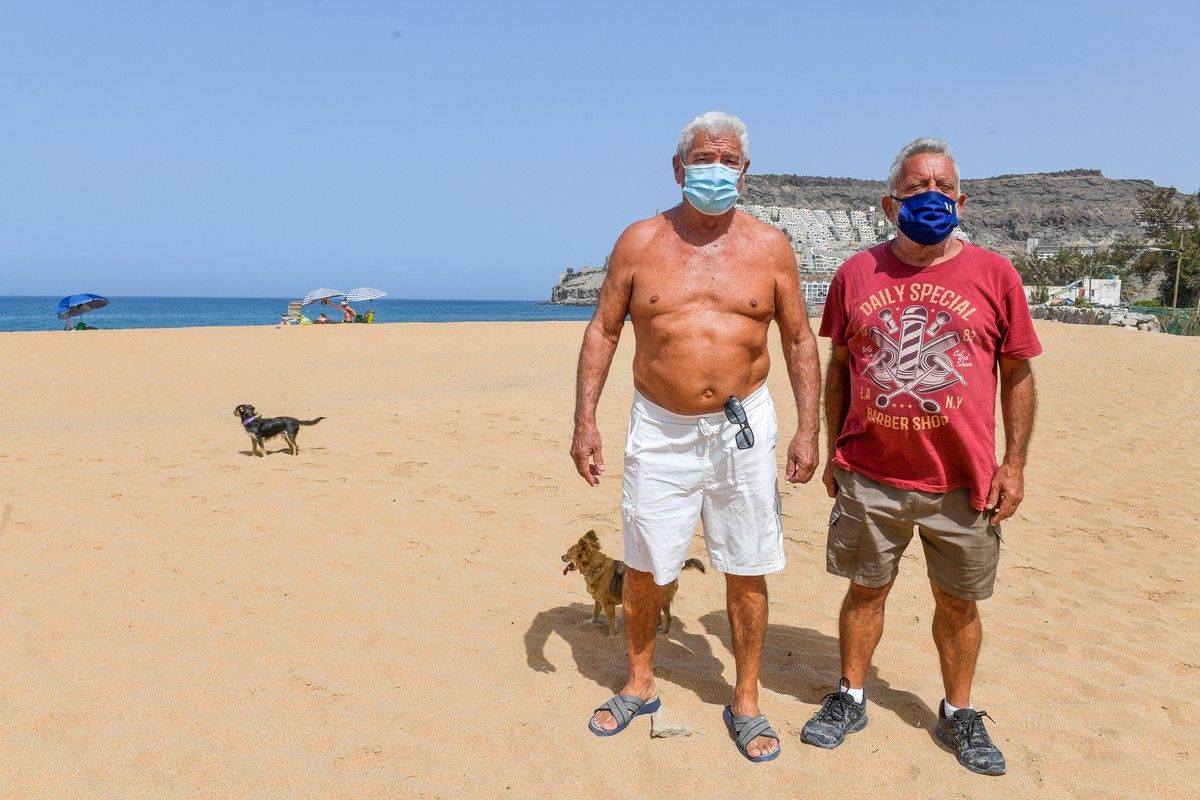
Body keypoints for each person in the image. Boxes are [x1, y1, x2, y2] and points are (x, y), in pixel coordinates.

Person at [571, 111, 821, 761]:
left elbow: (798, 338)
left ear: (745, 171)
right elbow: (603, 330)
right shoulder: (640, 242)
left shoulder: (770, 247)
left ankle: (745, 700)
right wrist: (584, 422)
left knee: (747, 561)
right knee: (649, 560)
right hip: (659, 427)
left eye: (728, 160)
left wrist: (808, 431)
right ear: (679, 169)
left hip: (743, 427)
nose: (716, 170)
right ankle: (639, 682)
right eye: (703, 160)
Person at [801, 137, 1040, 776]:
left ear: (962, 201)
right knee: (865, 588)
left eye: (942, 189)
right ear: (890, 203)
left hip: (963, 481)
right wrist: (833, 448)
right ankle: (850, 696)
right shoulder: (856, 274)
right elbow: (840, 368)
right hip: (871, 474)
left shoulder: (995, 275)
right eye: (915, 189)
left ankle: (959, 711)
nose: (929, 198)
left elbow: (1016, 374)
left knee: (958, 602)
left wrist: (1013, 463)